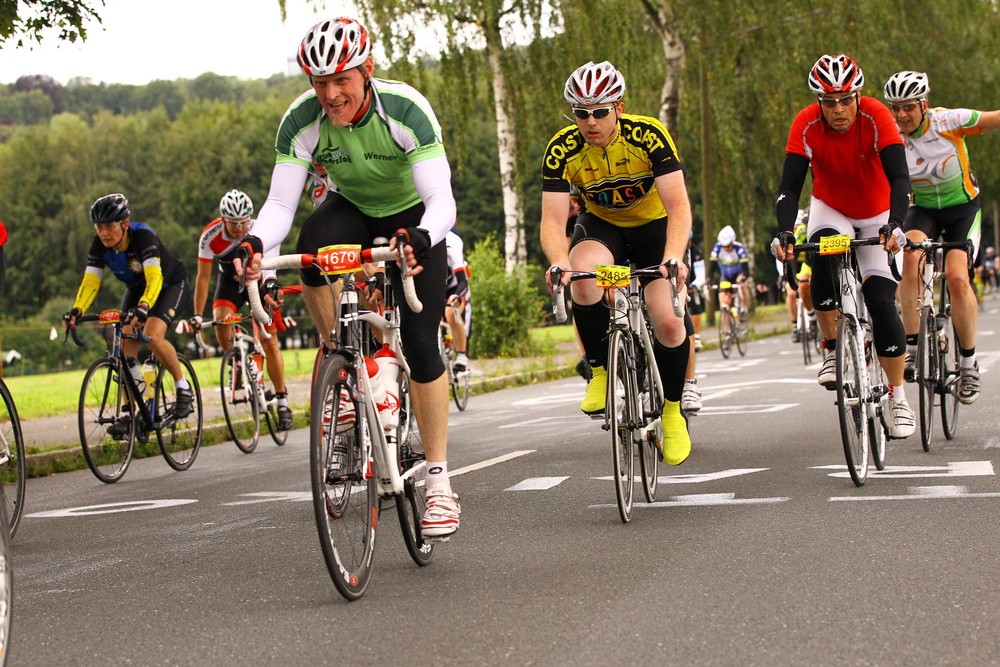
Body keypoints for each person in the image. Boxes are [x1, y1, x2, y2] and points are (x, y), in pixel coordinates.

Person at [239, 17, 460, 538]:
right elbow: (279, 202)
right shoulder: (301, 120)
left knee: (424, 348)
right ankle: (341, 358)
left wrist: (422, 239)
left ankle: (439, 482)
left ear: (367, 71)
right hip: (353, 209)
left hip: (412, 218)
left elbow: (441, 199)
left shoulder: (405, 109)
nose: (331, 94)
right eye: (319, 83)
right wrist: (253, 244)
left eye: (342, 80)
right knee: (311, 245)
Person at [540, 60, 695, 466]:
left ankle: (673, 411)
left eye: (599, 112)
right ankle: (600, 372)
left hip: (654, 229)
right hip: (603, 228)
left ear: (619, 108)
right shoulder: (561, 148)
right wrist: (559, 261)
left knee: (669, 322)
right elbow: (553, 221)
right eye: (581, 113)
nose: (590, 122)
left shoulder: (649, 136)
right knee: (583, 279)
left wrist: (674, 256)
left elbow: (679, 206)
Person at [771, 54, 914, 439]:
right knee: (823, 255)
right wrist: (785, 232)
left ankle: (897, 395)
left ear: (859, 95)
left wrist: (896, 224)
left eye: (846, 100)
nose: (838, 110)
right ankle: (833, 350)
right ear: (818, 101)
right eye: (829, 102)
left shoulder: (877, 116)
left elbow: (901, 178)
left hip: (878, 211)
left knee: (882, 302)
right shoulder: (805, 123)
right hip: (831, 207)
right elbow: (789, 188)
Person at [884, 70, 1000, 405]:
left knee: (957, 277)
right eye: (895, 108)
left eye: (908, 107)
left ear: (924, 104)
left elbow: (992, 119)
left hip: (963, 209)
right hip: (923, 211)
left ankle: (968, 364)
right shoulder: (891, 136)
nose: (901, 115)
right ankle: (911, 344)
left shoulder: (949, 122)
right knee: (910, 258)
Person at [63, 193, 194, 419]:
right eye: (99, 227)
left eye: (109, 226)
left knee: (152, 336)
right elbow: (91, 281)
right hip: (137, 290)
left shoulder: (143, 237)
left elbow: (155, 277)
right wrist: (77, 310)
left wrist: (144, 307)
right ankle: (130, 412)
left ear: (124, 223)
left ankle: (183, 388)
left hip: (170, 285)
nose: (103, 232)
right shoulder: (99, 246)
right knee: (123, 350)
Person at [190, 190, 293, 430]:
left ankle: (282, 400)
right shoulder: (210, 235)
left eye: (243, 222)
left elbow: (269, 266)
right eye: (233, 223)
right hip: (229, 281)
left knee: (270, 339)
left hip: (256, 281)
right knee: (220, 321)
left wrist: (269, 288)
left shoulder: (260, 229)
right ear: (223, 219)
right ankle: (237, 360)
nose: (239, 228)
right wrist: (197, 314)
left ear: (250, 218)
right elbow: (203, 278)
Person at [566, 187, 591, 381]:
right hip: (585, 262)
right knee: (579, 304)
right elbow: (567, 249)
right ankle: (586, 354)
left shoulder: (591, 209)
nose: (574, 205)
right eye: (571, 201)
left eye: (576, 200)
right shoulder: (568, 219)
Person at [444, 229, 471, 373]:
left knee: (450, 312)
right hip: (437, 289)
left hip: (456, 287)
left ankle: (462, 355)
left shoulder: (452, 244)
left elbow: (463, 282)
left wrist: (456, 296)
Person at [682, 232, 704, 413]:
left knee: (680, 305)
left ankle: (689, 383)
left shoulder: (693, 249)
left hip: (667, 246)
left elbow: (700, 272)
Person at [709, 225, 751, 317]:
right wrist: (710, 278)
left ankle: (744, 306)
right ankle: (726, 328)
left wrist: (746, 277)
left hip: (739, 273)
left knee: (742, 284)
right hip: (725, 275)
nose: (726, 248)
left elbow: (745, 267)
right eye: (724, 246)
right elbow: (712, 264)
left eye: (729, 246)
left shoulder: (739, 248)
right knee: (722, 300)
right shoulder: (717, 248)